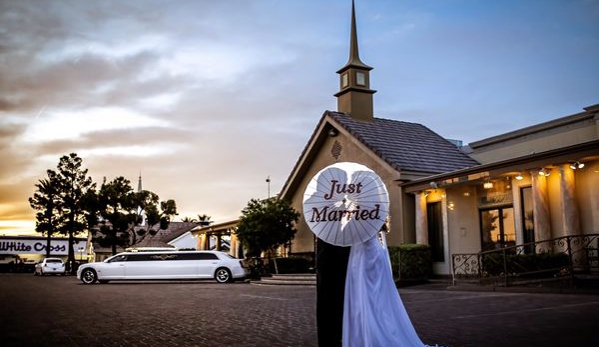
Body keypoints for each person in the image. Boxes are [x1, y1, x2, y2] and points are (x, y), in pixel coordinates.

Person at [342, 233, 441, 347]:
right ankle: (366, 334)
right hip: (359, 256)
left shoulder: (366, 225)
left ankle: (374, 333)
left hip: (367, 254)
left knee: (374, 299)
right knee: (363, 298)